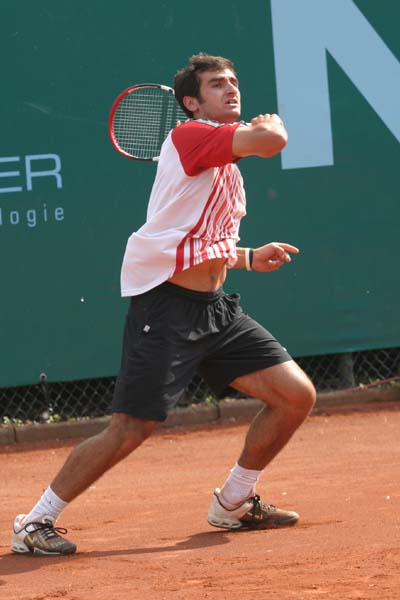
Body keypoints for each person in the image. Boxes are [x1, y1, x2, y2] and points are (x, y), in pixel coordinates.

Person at [11, 53, 316, 556]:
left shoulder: (223, 163)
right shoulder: (191, 135)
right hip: (166, 308)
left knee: (295, 396)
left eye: (234, 81)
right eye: (216, 84)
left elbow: (197, 235)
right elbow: (271, 141)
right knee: (131, 429)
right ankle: (35, 521)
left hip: (216, 310)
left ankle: (234, 502)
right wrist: (271, 125)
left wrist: (247, 257)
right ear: (191, 103)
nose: (231, 89)